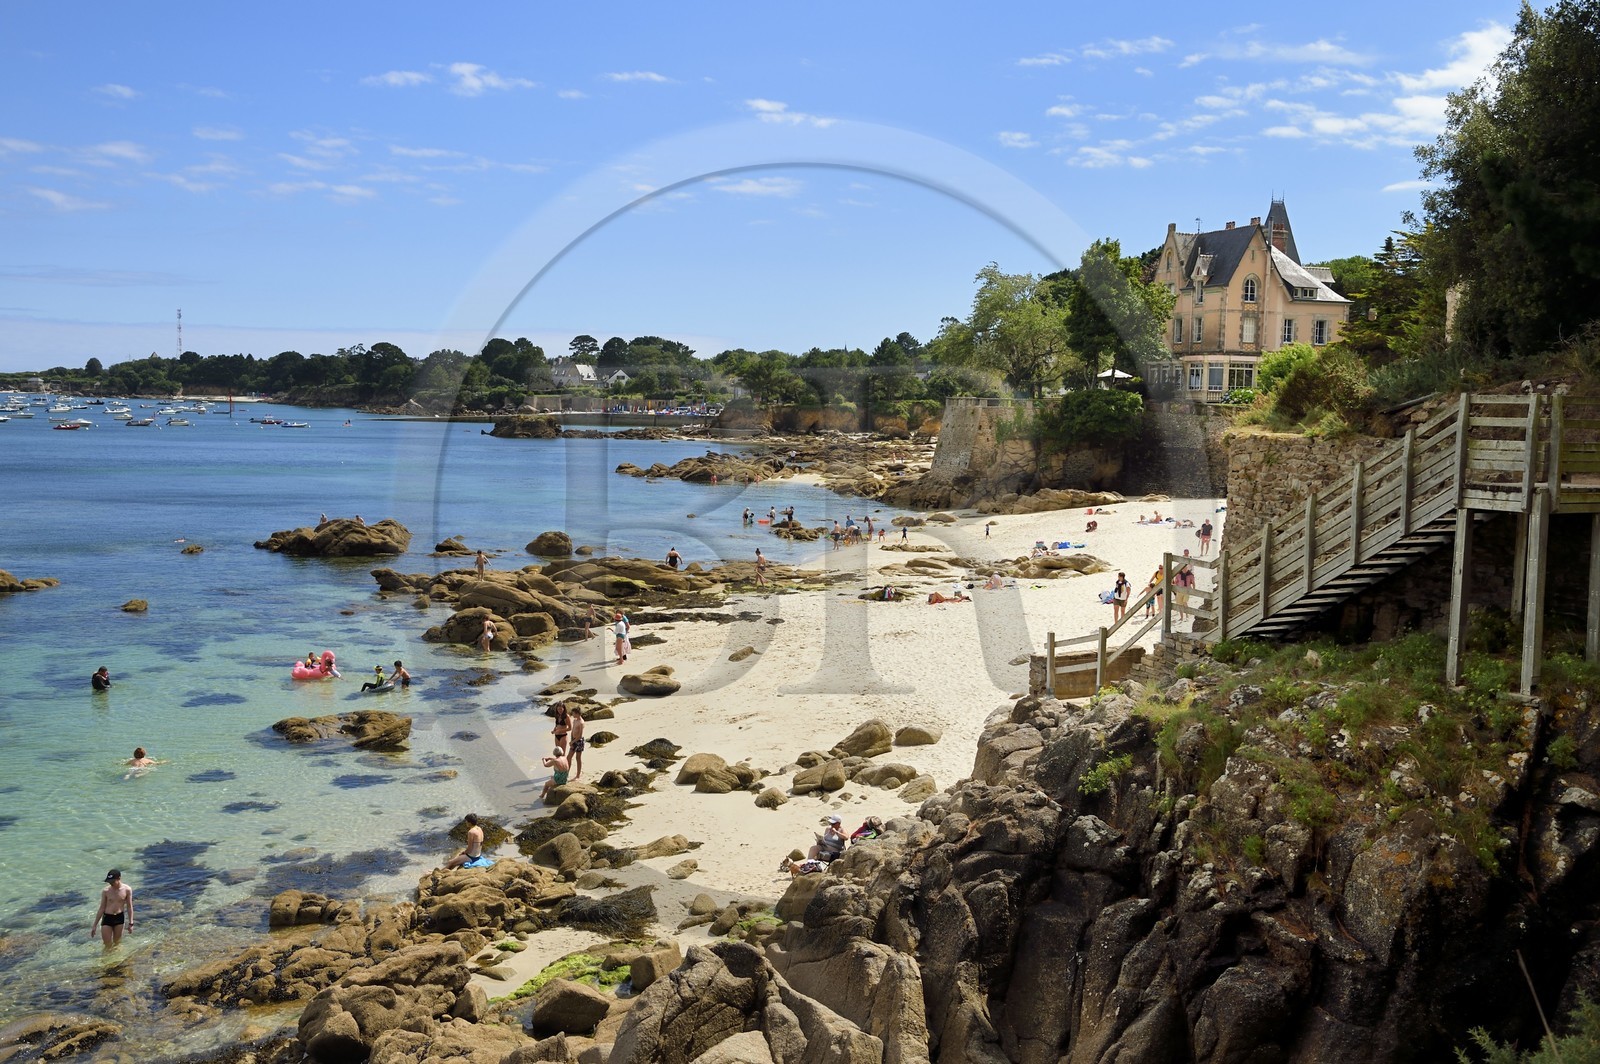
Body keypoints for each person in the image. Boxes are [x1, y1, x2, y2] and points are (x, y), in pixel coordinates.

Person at [91, 869, 133, 948]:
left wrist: (131, 923)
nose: (111, 884)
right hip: (107, 918)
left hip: (119, 918)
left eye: (113, 882)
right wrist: (94, 925)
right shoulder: (106, 891)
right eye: (110, 882)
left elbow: (129, 907)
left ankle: (117, 960)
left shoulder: (127, 890)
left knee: (117, 943)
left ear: (119, 878)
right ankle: (106, 960)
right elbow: (101, 908)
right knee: (107, 945)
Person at [567, 706, 586, 781]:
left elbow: (580, 735)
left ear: (578, 713)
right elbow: (572, 731)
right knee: (568, 757)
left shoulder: (581, 722)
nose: (572, 715)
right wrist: (571, 740)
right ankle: (567, 772)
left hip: (579, 741)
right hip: (573, 740)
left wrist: (573, 742)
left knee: (578, 758)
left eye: (574, 713)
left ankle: (578, 775)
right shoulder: (575, 720)